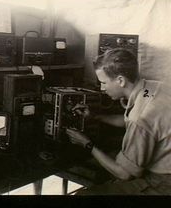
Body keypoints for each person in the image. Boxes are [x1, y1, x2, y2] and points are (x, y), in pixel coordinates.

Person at [66, 48, 171, 195]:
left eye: (103, 82)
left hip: (163, 183)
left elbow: (124, 174)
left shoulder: (140, 118)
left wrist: (87, 144)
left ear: (120, 80)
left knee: (83, 195)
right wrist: (96, 116)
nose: (102, 88)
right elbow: (132, 122)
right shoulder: (155, 87)